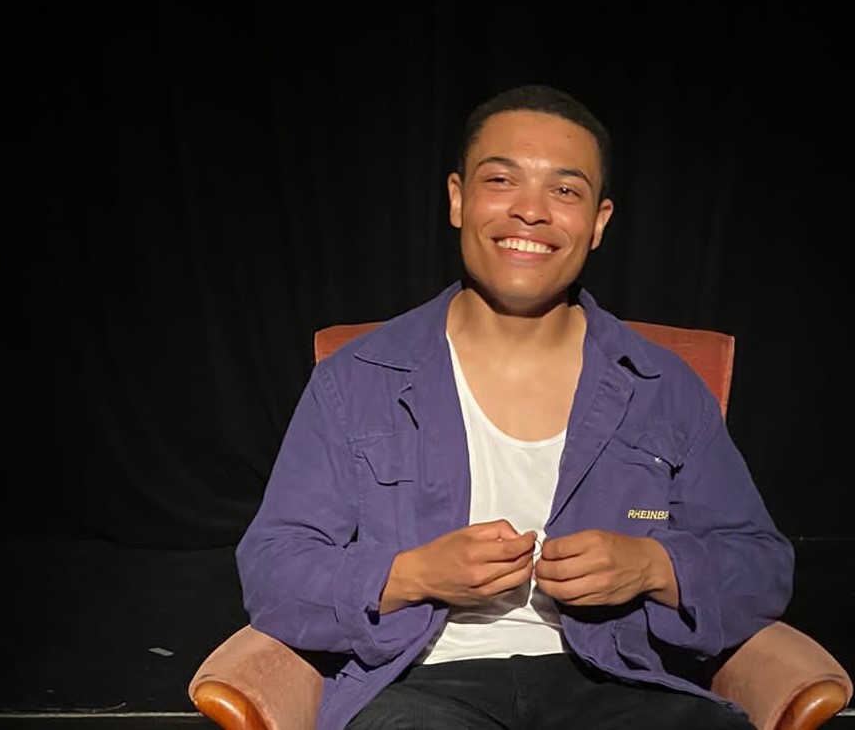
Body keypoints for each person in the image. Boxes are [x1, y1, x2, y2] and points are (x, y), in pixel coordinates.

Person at [236, 85, 793, 729]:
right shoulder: (358, 379)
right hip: (420, 684)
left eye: (565, 190)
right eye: (501, 180)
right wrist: (411, 575)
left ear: (599, 222)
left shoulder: (662, 385)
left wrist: (655, 567)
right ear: (458, 199)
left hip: (618, 679)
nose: (530, 211)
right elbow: (274, 570)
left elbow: (761, 565)